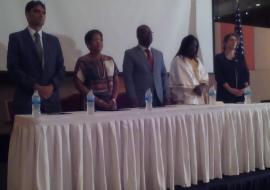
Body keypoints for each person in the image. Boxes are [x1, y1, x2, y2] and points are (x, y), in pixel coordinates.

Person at [7, 1, 65, 115]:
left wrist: (51, 86)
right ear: (27, 14)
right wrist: (36, 86)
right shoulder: (16, 38)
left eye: (44, 12)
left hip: (51, 101)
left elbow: (61, 69)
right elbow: (13, 68)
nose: (41, 15)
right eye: (37, 11)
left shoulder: (53, 41)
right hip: (26, 101)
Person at [123, 25, 169, 107]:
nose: (148, 35)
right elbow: (128, 77)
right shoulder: (130, 54)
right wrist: (132, 97)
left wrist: (166, 94)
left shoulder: (159, 54)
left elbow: (163, 75)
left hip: (159, 97)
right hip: (140, 98)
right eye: (144, 33)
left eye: (149, 33)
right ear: (138, 36)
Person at [74, 30, 119, 111]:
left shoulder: (109, 59)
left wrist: (113, 99)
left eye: (101, 40)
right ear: (88, 44)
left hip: (110, 103)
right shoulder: (83, 61)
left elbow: (116, 81)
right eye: (95, 40)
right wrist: (97, 101)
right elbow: (78, 84)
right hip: (92, 104)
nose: (99, 42)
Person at [169, 35, 209, 105]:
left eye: (196, 46)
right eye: (192, 45)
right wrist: (195, 88)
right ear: (185, 46)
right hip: (184, 100)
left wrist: (202, 86)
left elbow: (204, 78)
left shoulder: (198, 61)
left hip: (199, 99)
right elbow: (179, 81)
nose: (194, 48)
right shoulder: (178, 60)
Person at [214, 33, 250, 103]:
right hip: (225, 94)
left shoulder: (240, 57)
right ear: (225, 43)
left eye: (236, 40)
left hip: (240, 94)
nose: (234, 42)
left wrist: (244, 89)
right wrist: (230, 89)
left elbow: (246, 74)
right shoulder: (219, 58)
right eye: (231, 40)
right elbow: (219, 76)